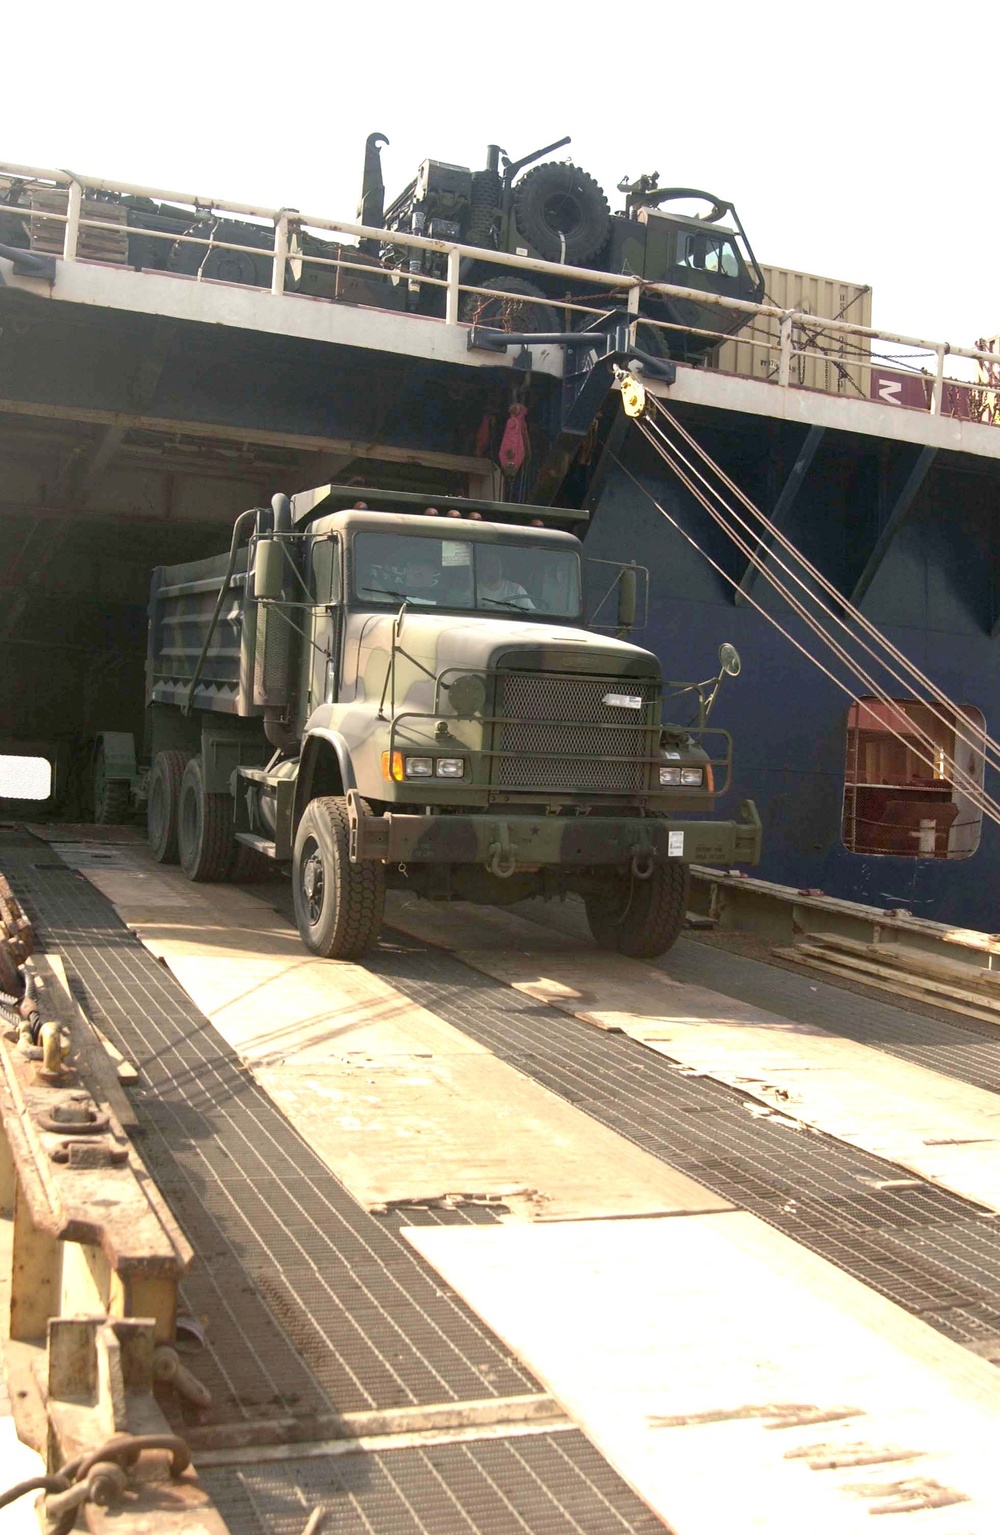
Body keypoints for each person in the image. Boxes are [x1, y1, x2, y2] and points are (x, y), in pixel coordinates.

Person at [477, 547, 534, 611]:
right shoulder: (474, 592)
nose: (494, 567)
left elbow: (530, 613)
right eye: (489, 563)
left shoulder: (516, 590)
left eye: (496, 563)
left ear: (502, 566)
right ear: (482, 567)